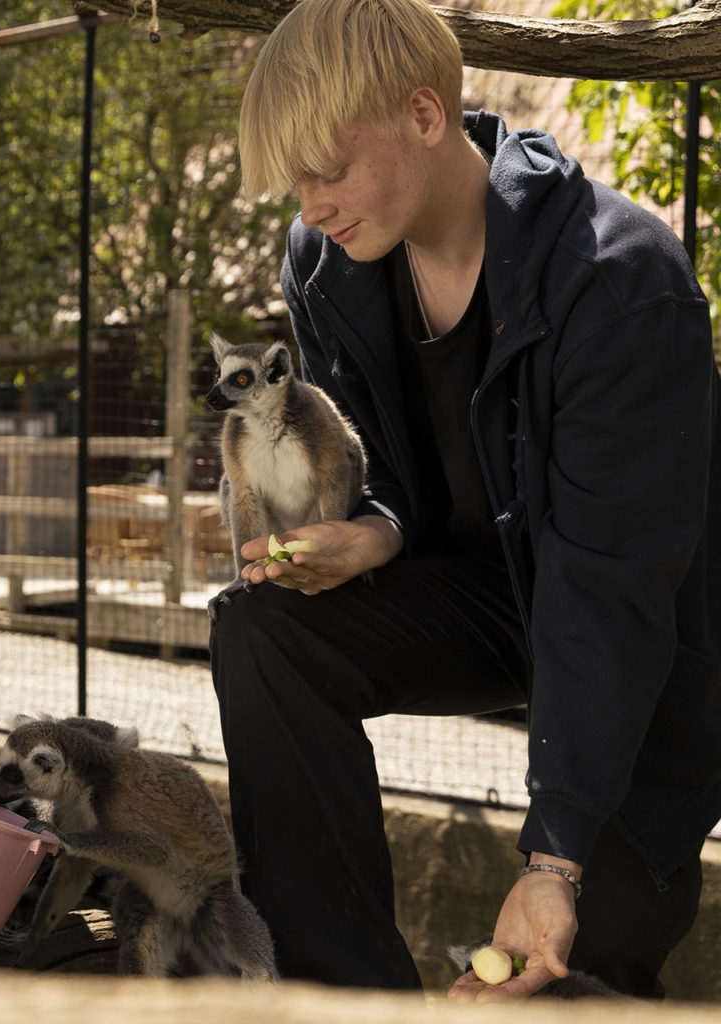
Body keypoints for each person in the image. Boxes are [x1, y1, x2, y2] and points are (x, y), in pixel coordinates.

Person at [213, 0, 721, 1000]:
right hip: (483, 593)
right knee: (262, 628)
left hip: (647, 637)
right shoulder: (328, 264)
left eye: (329, 170)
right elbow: (398, 464)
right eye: (297, 181)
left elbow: (609, 590)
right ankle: (343, 997)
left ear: (424, 116)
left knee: (571, 974)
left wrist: (553, 858)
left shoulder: (621, 286)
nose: (311, 206)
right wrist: (375, 531)